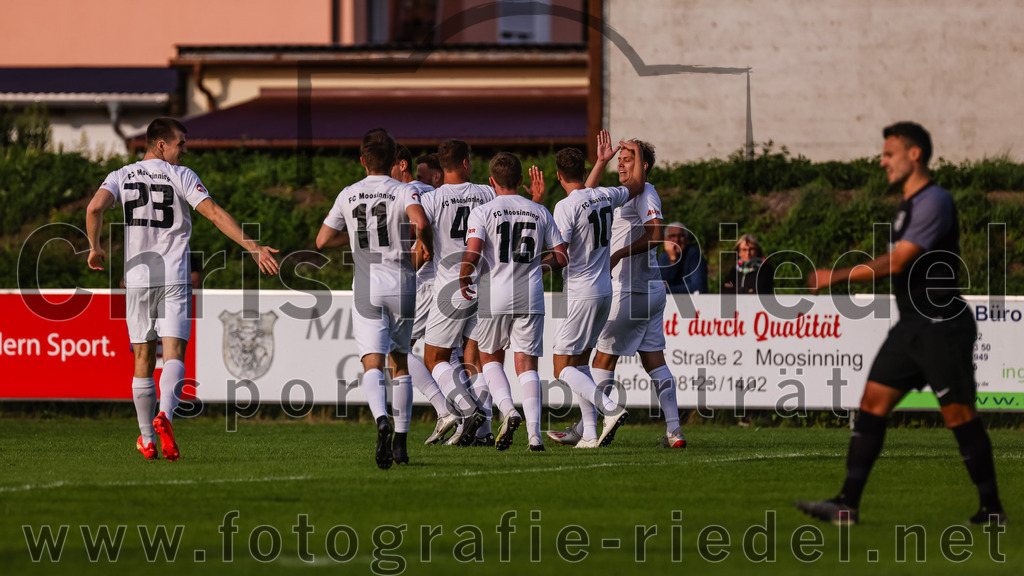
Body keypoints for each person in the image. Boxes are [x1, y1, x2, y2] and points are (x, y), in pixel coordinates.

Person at [796, 122, 1005, 526]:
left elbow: (896, 262)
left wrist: (832, 276)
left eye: (889, 154)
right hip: (911, 325)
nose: (882, 161)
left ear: (915, 155)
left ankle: (992, 509)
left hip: (941, 323)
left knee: (958, 416)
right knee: (873, 404)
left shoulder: (934, 201)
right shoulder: (908, 206)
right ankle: (846, 505)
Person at [86, 117, 280, 462]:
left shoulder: (121, 175)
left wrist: (95, 247)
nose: (184, 150)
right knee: (174, 354)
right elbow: (215, 214)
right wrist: (252, 246)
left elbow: (94, 208)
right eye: (181, 144)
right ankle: (165, 415)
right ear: (161, 144)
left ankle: (146, 439)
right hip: (174, 276)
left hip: (137, 280)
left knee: (143, 359)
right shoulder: (182, 175)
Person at [549, 130, 686, 449]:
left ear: (645, 165)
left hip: (628, 290)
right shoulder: (615, 193)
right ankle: (674, 431)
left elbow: (656, 234)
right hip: (649, 291)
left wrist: (618, 253)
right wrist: (601, 161)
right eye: (621, 160)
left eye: (629, 159)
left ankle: (590, 427)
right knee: (655, 361)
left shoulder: (645, 192)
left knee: (598, 361)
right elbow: (581, 195)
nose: (622, 165)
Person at [316, 128, 433, 469]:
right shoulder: (404, 189)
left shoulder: (349, 194)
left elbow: (323, 240)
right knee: (400, 363)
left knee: (372, 362)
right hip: (402, 282)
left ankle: (381, 418)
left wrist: (353, 239)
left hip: (367, 286)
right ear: (394, 159)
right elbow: (420, 220)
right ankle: (400, 442)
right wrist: (424, 242)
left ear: (362, 161)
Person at [459, 152, 567, 451]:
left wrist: (464, 273)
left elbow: (474, 251)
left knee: (490, 358)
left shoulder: (483, 211)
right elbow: (561, 256)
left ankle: (508, 410)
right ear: (521, 181)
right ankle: (535, 435)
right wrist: (537, 266)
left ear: (492, 181)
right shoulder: (539, 211)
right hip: (529, 294)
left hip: (494, 293)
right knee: (527, 365)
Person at [547, 145, 645, 448]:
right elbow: (637, 185)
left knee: (560, 366)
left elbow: (560, 256)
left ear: (559, 175)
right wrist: (636, 154)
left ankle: (611, 410)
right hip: (605, 289)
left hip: (581, 292)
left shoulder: (564, 206)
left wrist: (533, 264)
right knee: (579, 364)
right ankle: (589, 433)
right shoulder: (605, 194)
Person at [419, 139, 493, 446]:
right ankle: (485, 430)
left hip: (451, 283)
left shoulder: (432, 199)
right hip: (486, 284)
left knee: (433, 357)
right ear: (465, 162)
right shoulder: (486, 192)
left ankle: (467, 409)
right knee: (475, 359)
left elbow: (418, 230)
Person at [392, 145, 459, 445]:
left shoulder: (414, 194)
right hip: (448, 280)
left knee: (397, 348)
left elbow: (419, 238)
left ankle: (445, 410)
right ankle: (472, 419)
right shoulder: (426, 192)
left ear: (400, 165)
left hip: (423, 281)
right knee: (450, 355)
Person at [659, 222, 707, 294]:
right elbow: (661, 284)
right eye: (672, 236)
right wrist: (673, 259)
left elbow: (697, 287)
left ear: (686, 239)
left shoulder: (694, 255)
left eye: (681, 236)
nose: (677, 240)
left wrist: (668, 289)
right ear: (666, 239)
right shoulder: (663, 257)